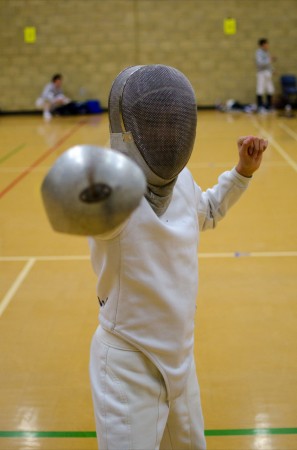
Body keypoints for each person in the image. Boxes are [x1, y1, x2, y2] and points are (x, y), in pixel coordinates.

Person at [85, 65, 268, 450]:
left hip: (180, 358)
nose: (166, 135)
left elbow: (207, 211)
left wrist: (242, 173)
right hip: (128, 364)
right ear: (129, 133)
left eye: (172, 124)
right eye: (156, 124)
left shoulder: (181, 181)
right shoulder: (112, 200)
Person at [255, 38, 275, 113]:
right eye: (266, 44)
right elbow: (260, 63)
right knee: (260, 89)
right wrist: (269, 60)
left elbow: (269, 64)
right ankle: (260, 107)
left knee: (270, 89)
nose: (267, 45)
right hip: (261, 73)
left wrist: (272, 70)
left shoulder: (267, 52)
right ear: (263, 44)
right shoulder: (258, 53)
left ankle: (268, 107)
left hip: (267, 73)